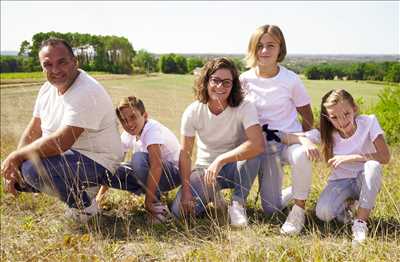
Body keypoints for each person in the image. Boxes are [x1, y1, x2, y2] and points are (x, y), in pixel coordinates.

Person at [1, 38, 123, 223]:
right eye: (48, 65)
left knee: (32, 169)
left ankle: (85, 208)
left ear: (75, 62)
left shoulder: (87, 90)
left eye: (62, 62)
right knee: (19, 172)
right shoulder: (46, 89)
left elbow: (62, 141)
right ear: (42, 68)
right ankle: (82, 189)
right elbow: (34, 129)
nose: (55, 70)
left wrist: (17, 158)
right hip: (72, 157)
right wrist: (14, 163)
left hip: (100, 161)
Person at [240, 24, 319, 235]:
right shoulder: (243, 80)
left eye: (270, 45)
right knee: (271, 209)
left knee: (302, 155)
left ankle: (299, 210)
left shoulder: (291, 80)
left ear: (280, 48)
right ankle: (295, 190)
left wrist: (301, 138)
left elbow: (308, 117)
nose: (264, 51)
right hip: (261, 146)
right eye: (260, 46)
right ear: (253, 48)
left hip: (289, 142)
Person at [171, 57, 265, 227]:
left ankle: (237, 204)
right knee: (180, 212)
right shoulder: (193, 111)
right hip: (205, 172)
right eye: (215, 80)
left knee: (254, 154)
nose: (220, 86)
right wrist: (186, 192)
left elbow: (257, 144)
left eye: (227, 82)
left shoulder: (245, 106)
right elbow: (185, 154)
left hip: (234, 168)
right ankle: (213, 195)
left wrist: (220, 160)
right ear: (206, 81)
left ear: (233, 85)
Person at [314, 89, 390, 245]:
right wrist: (305, 142)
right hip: (341, 181)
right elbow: (305, 136)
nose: (341, 121)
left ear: (354, 108)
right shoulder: (328, 134)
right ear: (328, 118)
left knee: (373, 166)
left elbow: (385, 157)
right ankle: (349, 208)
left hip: (365, 180)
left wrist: (353, 158)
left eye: (346, 114)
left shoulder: (369, 122)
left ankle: (360, 223)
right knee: (323, 213)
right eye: (334, 117)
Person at [96, 96, 181, 223]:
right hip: (152, 174)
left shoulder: (152, 130)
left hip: (172, 175)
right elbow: (114, 164)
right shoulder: (128, 134)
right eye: (124, 121)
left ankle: (157, 208)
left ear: (145, 115)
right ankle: (91, 204)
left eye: (133, 117)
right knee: (108, 168)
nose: (128, 124)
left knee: (138, 158)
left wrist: (148, 201)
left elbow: (156, 165)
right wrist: (100, 196)